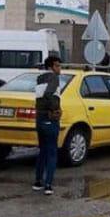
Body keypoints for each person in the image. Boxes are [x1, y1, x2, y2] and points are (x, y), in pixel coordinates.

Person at [34, 55, 62, 196]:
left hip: (39, 118)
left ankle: (38, 182)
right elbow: (49, 93)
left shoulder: (40, 78)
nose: (60, 69)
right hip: (50, 118)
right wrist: (55, 109)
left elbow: (41, 96)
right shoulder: (53, 78)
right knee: (52, 153)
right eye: (57, 66)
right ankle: (48, 185)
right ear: (51, 67)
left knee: (43, 151)